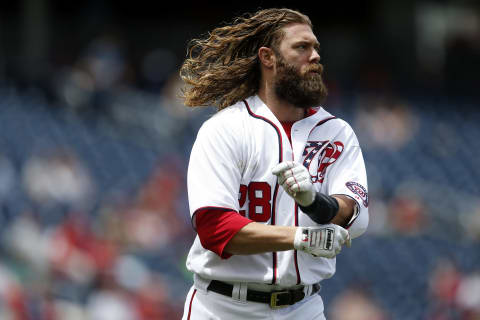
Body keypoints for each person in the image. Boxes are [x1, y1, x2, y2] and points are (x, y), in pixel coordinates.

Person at [179, 8, 369, 319]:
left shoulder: (337, 132)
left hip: (303, 307)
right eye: (301, 47)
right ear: (268, 58)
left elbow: (355, 215)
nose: (315, 56)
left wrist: (315, 202)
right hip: (222, 306)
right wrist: (301, 237)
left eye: (316, 48)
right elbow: (215, 228)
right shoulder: (226, 129)